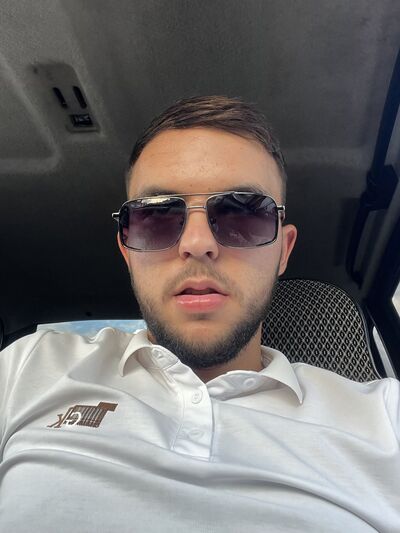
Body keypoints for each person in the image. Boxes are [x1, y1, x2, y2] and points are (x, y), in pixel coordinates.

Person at [0, 96, 399, 532]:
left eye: (244, 214)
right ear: (127, 252)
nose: (197, 243)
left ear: (283, 251)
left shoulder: (384, 420)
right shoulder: (27, 367)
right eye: (156, 217)